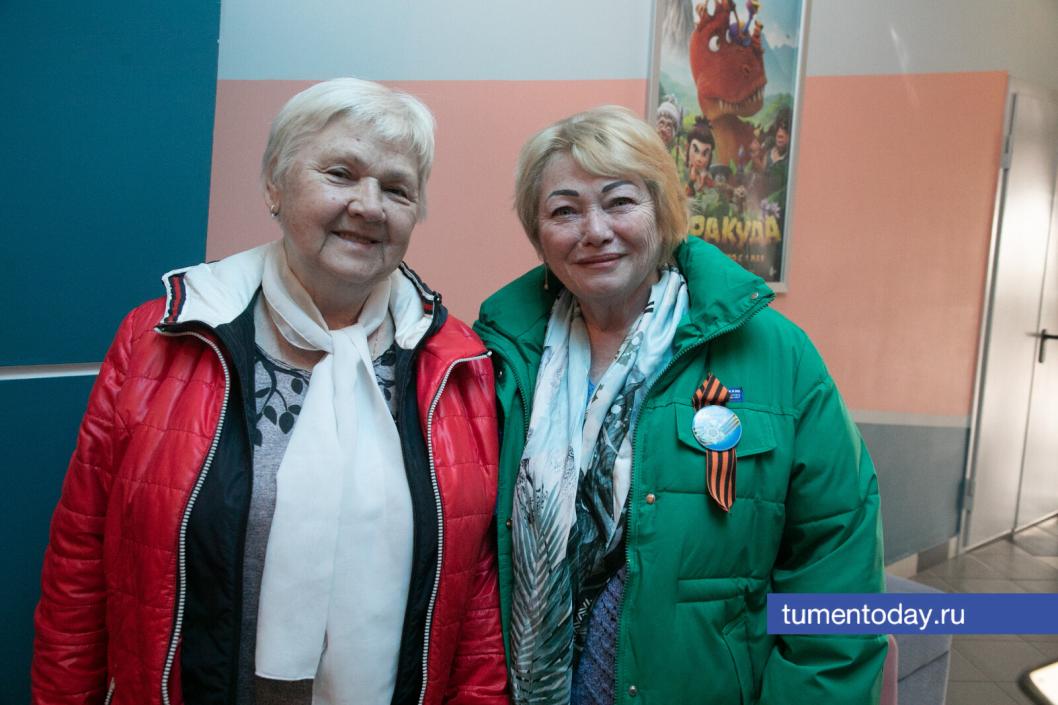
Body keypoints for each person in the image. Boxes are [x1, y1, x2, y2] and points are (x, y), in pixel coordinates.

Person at [32, 78, 507, 705]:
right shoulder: (160, 337)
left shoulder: (458, 364)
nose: (369, 206)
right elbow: (80, 565)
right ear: (274, 186)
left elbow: (476, 605)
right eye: (340, 174)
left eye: (397, 189)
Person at [474, 105, 885, 705]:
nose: (594, 230)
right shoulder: (497, 358)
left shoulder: (777, 355)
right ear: (539, 234)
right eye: (564, 211)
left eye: (620, 202)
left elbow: (835, 571)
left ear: (663, 210)